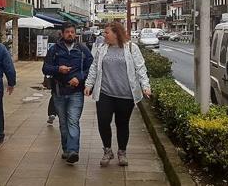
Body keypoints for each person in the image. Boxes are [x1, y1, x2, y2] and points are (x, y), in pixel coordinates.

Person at [84, 22, 151, 167]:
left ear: (116, 33)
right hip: (105, 93)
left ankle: (122, 152)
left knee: (122, 124)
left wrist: (145, 86)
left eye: (106, 32)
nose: (104, 35)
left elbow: (140, 69)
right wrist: (89, 84)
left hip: (125, 95)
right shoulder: (102, 49)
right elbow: (94, 68)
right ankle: (107, 150)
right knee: (103, 121)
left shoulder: (132, 48)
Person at [42, 23, 93, 164]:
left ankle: (73, 150)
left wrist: (80, 78)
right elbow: (45, 68)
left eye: (72, 32)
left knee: (73, 121)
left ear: (75, 34)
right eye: (67, 32)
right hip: (59, 91)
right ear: (62, 34)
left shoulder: (82, 49)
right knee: (63, 123)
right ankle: (66, 149)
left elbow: (92, 68)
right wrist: (59, 69)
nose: (70, 34)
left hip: (76, 92)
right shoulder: (54, 50)